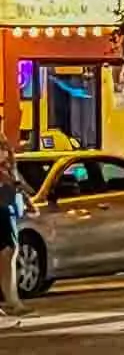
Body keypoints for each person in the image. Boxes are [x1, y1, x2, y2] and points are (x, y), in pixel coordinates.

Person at [0, 110, 35, 319]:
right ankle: (12, 300)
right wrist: (15, 184)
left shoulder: (6, 146)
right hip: (3, 206)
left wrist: (27, 197)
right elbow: (9, 176)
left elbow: (13, 175)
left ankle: (12, 299)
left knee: (9, 253)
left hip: (9, 205)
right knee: (9, 252)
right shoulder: (4, 147)